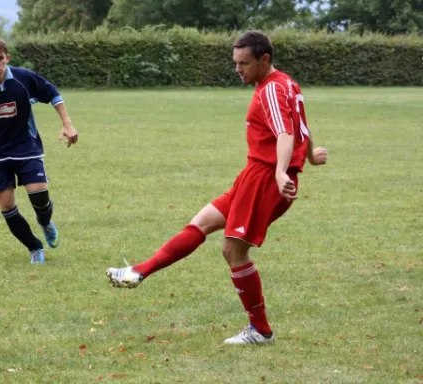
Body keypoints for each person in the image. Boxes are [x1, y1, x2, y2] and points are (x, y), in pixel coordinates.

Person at [106, 30, 328, 344]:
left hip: (266, 179)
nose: (238, 69)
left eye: (244, 63)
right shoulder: (286, 83)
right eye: (236, 63)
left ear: (264, 59)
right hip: (254, 174)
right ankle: (138, 271)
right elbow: (297, 123)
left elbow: (285, 133)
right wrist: (311, 157)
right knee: (202, 221)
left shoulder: (270, 90)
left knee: (233, 250)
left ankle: (261, 331)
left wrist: (280, 171)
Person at [0, 34, 78, 264]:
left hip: (26, 147)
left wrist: (67, 123)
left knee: (40, 196)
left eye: (0, 58)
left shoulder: (23, 79)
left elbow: (53, 94)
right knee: (7, 206)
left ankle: (45, 222)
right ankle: (35, 247)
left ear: (7, 58)